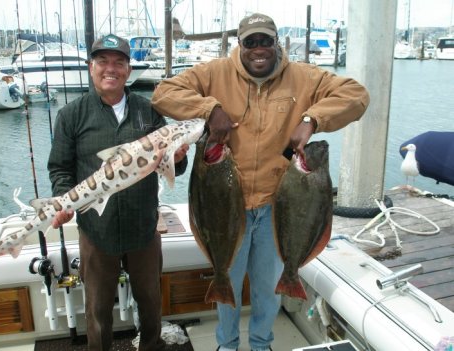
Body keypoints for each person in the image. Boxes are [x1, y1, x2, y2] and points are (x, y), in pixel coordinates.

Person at [151, 13, 369, 351]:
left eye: (265, 40)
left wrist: (312, 119)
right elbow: (164, 94)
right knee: (228, 281)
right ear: (240, 44)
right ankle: (227, 344)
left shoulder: (304, 77)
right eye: (250, 41)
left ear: (276, 42)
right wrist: (210, 108)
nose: (258, 49)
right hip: (227, 208)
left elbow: (355, 95)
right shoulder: (212, 74)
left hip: (274, 206)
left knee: (268, 286)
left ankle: (261, 343)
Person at [48, 34, 189, 351]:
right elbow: (59, 167)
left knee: (151, 302)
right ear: (91, 66)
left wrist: (179, 159)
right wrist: (63, 199)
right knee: (97, 310)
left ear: (128, 69)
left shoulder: (148, 111)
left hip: (143, 227)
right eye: (103, 61)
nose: (110, 69)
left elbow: (174, 167)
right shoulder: (71, 115)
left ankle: (150, 346)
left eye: (119, 62)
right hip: (97, 231)